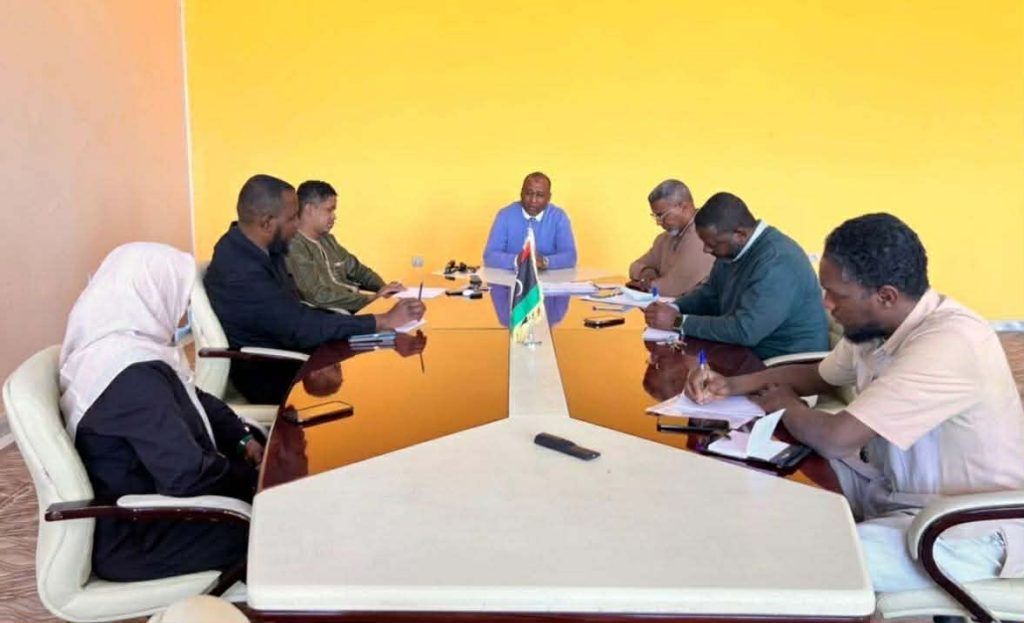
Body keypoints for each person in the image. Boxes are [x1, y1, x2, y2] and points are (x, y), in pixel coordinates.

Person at [685, 213, 1024, 591]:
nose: (826, 304)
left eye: (837, 295)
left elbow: (836, 439)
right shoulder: (875, 327)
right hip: (893, 487)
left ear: (886, 296)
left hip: (965, 527)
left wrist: (784, 404)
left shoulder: (951, 341)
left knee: (801, 560)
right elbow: (819, 375)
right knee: (763, 485)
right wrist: (731, 385)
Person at [59, 242, 261, 581]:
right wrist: (255, 482)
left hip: (155, 506)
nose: (182, 312)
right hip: (138, 534)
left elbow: (196, 399)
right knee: (274, 533)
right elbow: (187, 476)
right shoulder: (130, 375)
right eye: (180, 298)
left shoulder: (124, 349)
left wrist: (243, 440)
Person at [204, 174, 424, 401]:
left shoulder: (260, 248)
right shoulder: (241, 270)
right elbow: (299, 327)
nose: (297, 226)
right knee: (371, 389)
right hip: (274, 371)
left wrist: (380, 329)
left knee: (381, 361)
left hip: (295, 349)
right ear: (267, 223)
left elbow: (296, 315)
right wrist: (381, 320)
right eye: (292, 218)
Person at [644, 192, 827, 359]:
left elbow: (745, 331)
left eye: (712, 244)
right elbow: (710, 294)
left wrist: (677, 322)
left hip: (785, 364)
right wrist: (674, 307)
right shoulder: (733, 251)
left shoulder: (776, 261)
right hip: (747, 354)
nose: (706, 250)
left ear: (740, 234)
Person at [285, 180, 404, 313]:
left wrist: (384, 289)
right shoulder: (294, 246)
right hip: (329, 314)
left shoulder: (328, 241)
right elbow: (317, 296)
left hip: (353, 306)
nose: (334, 216)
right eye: (329, 210)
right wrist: (371, 299)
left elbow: (358, 270)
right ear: (310, 209)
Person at [627, 179, 714, 297]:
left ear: (683, 207)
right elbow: (635, 266)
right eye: (656, 216)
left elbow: (674, 287)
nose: (659, 223)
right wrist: (646, 272)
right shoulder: (664, 239)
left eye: (662, 215)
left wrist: (649, 285)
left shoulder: (703, 236)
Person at [483, 172, 577, 270]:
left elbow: (570, 256)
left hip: (550, 278)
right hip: (511, 278)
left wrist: (544, 262)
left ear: (549, 197)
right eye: (528, 193)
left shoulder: (559, 217)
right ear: (521, 194)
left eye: (540, 195)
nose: (533, 200)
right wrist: (517, 260)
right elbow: (489, 256)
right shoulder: (505, 215)